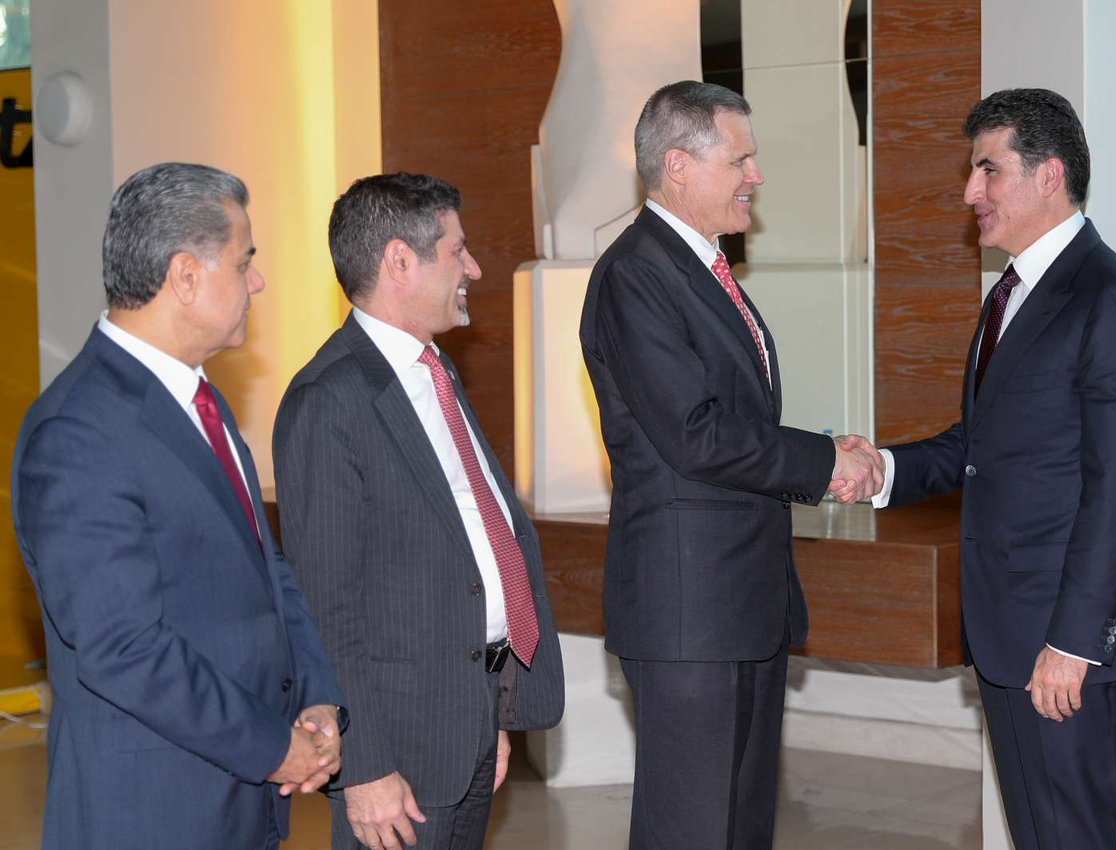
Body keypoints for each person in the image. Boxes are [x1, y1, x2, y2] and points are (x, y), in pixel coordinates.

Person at [859, 88, 1116, 849]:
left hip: (1061, 645)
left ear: (1048, 175)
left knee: (1078, 834)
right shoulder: (1008, 297)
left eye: (987, 171)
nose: (971, 193)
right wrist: (882, 470)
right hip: (1005, 634)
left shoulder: (1110, 301)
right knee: (1037, 834)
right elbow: (980, 446)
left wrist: (1071, 643)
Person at [578, 80, 880, 849]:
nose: (757, 175)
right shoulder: (636, 274)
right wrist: (825, 462)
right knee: (692, 830)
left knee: (740, 828)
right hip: (689, 610)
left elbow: (731, 424)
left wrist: (827, 453)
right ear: (677, 165)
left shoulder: (701, 271)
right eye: (740, 158)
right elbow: (695, 434)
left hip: (738, 602)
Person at [11, 162, 345, 849]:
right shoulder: (77, 430)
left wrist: (315, 694)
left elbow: (265, 570)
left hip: (237, 802)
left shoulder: (199, 399)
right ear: (185, 275)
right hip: (153, 812)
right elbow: (123, 647)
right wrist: (269, 744)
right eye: (245, 261)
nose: (257, 282)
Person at [273, 172, 565, 850]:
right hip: (395, 748)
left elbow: (457, 548)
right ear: (400, 261)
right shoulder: (329, 399)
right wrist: (365, 764)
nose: (473, 268)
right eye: (456, 251)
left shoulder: (434, 371)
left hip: (461, 717)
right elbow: (327, 605)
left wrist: (486, 712)